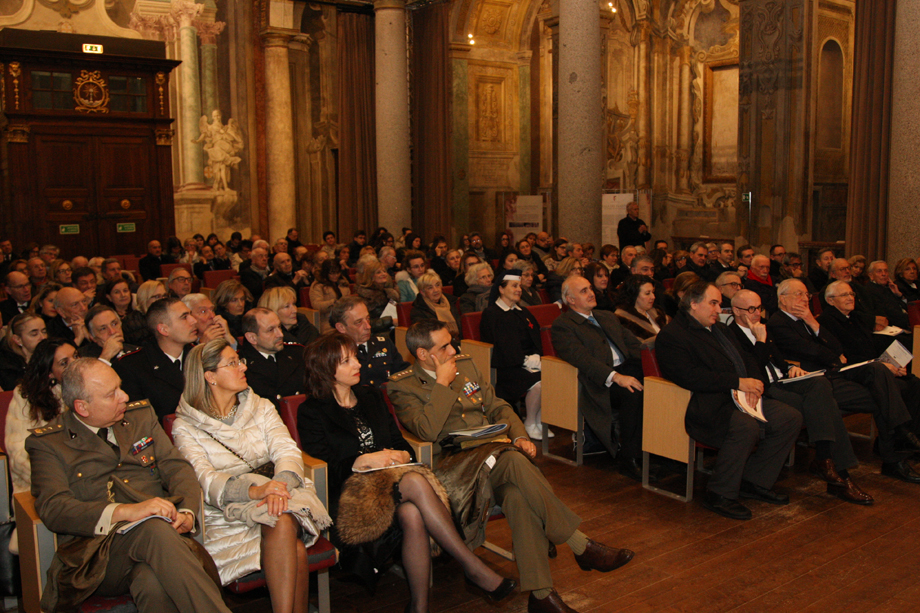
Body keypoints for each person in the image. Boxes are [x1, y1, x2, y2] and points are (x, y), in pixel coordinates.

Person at [389, 320, 634, 613]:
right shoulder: (402, 385)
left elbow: (499, 407)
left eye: (452, 342)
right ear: (423, 354)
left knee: (518, 495)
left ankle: (542, 595)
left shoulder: (465, 365)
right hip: (455, 468)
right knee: (513, 461)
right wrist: (441, 383)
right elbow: (426, 431)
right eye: (444, 346)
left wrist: (518, 435)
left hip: (495, 454)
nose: (454, 349)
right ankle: (580, 544)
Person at [298, 333, 515, 610]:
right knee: (413, 482)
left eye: (355, 357)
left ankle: (419, 606)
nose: (358, 364)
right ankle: (472, 566)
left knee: (412, 513)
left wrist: (400, 454)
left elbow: (401, 444)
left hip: (395, 485)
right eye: (346, 361)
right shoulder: (312, 411)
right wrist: (362, 461)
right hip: (351, 497)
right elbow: (325, 468)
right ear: (326, 370)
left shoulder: (371, 396)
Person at [26, 358, 230, 613]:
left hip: (162, 546)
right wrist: (126, 512)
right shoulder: (49, 444)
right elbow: (54, 508)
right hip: (98, 556)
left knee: (152, 582)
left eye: (120, 387)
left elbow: (177, 468)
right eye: (112, 394)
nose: (124, 396)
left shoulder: (140, 416)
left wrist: (188, 512)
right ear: (83, 407)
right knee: (152, 528)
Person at [170, 340, 330, 610]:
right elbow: (203, 477)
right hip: (227, 513)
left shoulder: (261, 406)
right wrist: (255, 491)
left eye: (239, 360)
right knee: (295, 545)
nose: (243, 366)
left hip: (281, 494)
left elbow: (287, 450)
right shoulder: (186, 426)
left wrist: (277, 486)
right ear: (210, 377)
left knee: (278, 518)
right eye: (232, 363)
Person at [655, 282, 803, 519]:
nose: (718, 309)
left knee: (789, 417)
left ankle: (754, 480)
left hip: (739, 396)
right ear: (693, 304)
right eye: (713, 303)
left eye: (719, 303)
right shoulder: (673, 335)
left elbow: (748, 360)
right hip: (705, 403)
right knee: (746, 426)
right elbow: (688, 376)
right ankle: (719, 494)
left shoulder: (721, 330)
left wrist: (753, 383)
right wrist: (737, 382)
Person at [767, 279, 920, 483]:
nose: (805, 299)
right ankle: (896, 449)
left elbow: (837, 347)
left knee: (885, 389)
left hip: (831, 376)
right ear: (782, 299)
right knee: (885, 396)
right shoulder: (778, 322)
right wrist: (832, 355)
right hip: (813, 384)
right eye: (799, 294)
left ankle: (896, 452)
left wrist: (813, 322)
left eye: (806, 295)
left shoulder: (806, 320)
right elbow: (814, 351)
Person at [728, 289, 873, 504]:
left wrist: (789, 368)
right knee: (824, 405)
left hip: (783, 381)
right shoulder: (730, 335)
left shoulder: (763, 326)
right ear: (735, 310)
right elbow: (751, 372)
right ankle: (837, 472)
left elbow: (777, 359)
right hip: (762, 388)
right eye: (750, 309)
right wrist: (759, 341)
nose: (757, 313)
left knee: (819, 384)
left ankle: (826, 460)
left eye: (759, 307)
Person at [551, 276, 648, 480]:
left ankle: (656, 450)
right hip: (597, 382)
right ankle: (629, 458)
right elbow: (583, 360)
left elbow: (634, 346)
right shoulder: (564, 325)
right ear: (570, 299)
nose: (591, 293)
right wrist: (616, 377)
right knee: (632, 392)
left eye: (590, 288)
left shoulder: (606, 316)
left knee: (656, 385)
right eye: (584, 291)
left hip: (624, 369)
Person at [480, 270, 551, 440]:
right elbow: (500, 346)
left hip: (529, 362)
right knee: (538, 383)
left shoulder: (522, 312)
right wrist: (524, 361)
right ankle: (530, 421)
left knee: (553, 376)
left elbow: (535, 336)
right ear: (501, 289)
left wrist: (536, 355)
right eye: (514, 286)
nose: (519, 289)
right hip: (506, 367)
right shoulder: (491, 314)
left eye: (519, 285)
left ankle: (541, 420)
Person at [6, 338, 76, 495]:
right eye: (64, 363)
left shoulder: (89, 389)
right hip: (44, 484)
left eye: (76, 356)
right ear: (50, 373)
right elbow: (20, 454)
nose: (75, 364)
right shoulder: (26, 396)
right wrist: (61, 483)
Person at [114, 297, 199, 422]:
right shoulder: (133, 366)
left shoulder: (199, 355)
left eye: (190, 315)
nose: (193, 321)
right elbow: (140, 421)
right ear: (164, 329)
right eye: (184, 317)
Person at [330, 296, 409, 387]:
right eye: (359, 322)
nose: (368, 326)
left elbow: (403, 373)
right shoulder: (335, 353)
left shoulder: (384, 344)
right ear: (341, 327)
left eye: (367, 318)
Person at [238, 308, 306, 413]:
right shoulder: (239, 367)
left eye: (279, 327)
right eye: (271, 330)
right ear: (252, 338)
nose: (280, 334)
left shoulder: (297, 353)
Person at [614, 274, 669, 344]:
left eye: (653, 292)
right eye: (647, 293)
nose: (653, 297)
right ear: (634, 295)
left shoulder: (657, 311)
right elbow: (638, 347)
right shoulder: (623, 319)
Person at [0, 313, 48, 390]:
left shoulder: (51, 355)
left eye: (44, 332)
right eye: (34, 334)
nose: (43, 337)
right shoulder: (8, 368)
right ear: (18, 339)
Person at [410, 271, 462, 340]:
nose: (436, 290)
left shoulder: (452, 302)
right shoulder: (418, 311)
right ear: (422, 292)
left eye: (437, 285)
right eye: (430, 288)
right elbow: (426, 337)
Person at [309, 259, 351, 333]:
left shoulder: (343, 283)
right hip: (327, 320)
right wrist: (333, 302)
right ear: (326, 273)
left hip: (344, 318)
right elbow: (316, 305)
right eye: (332, 273)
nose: (335, 276)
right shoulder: (318, 285)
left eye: (338, 273)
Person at [355, 261, 399, 331]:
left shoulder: (389, 294)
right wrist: (390, 321)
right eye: (378, 272)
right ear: (371, 277)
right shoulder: (366, 297)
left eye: (384, 271)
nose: (383, 274)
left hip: (391, 330)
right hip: (375, 333)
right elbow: (367, 323)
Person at [123, 280, 168, 347]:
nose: (163, 300)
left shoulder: (167, 317)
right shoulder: (131, 322)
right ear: (145, 298)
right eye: (157, 297)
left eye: (164, 296)